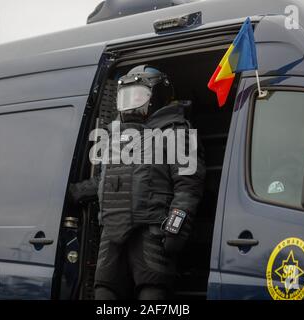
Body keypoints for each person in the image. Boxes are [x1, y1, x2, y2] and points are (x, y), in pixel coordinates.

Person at [69, 65, 206, 300]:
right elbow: (103, 181)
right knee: (104, 293)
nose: (131, 103)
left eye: (138, 96)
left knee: (152, 293)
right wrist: (69, 193)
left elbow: (188, 188)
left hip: (152, 231)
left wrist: (175, 229)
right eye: (126, 97)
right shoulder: (115, 138)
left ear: (157, 97)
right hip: (112, 232)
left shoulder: (175, 132)